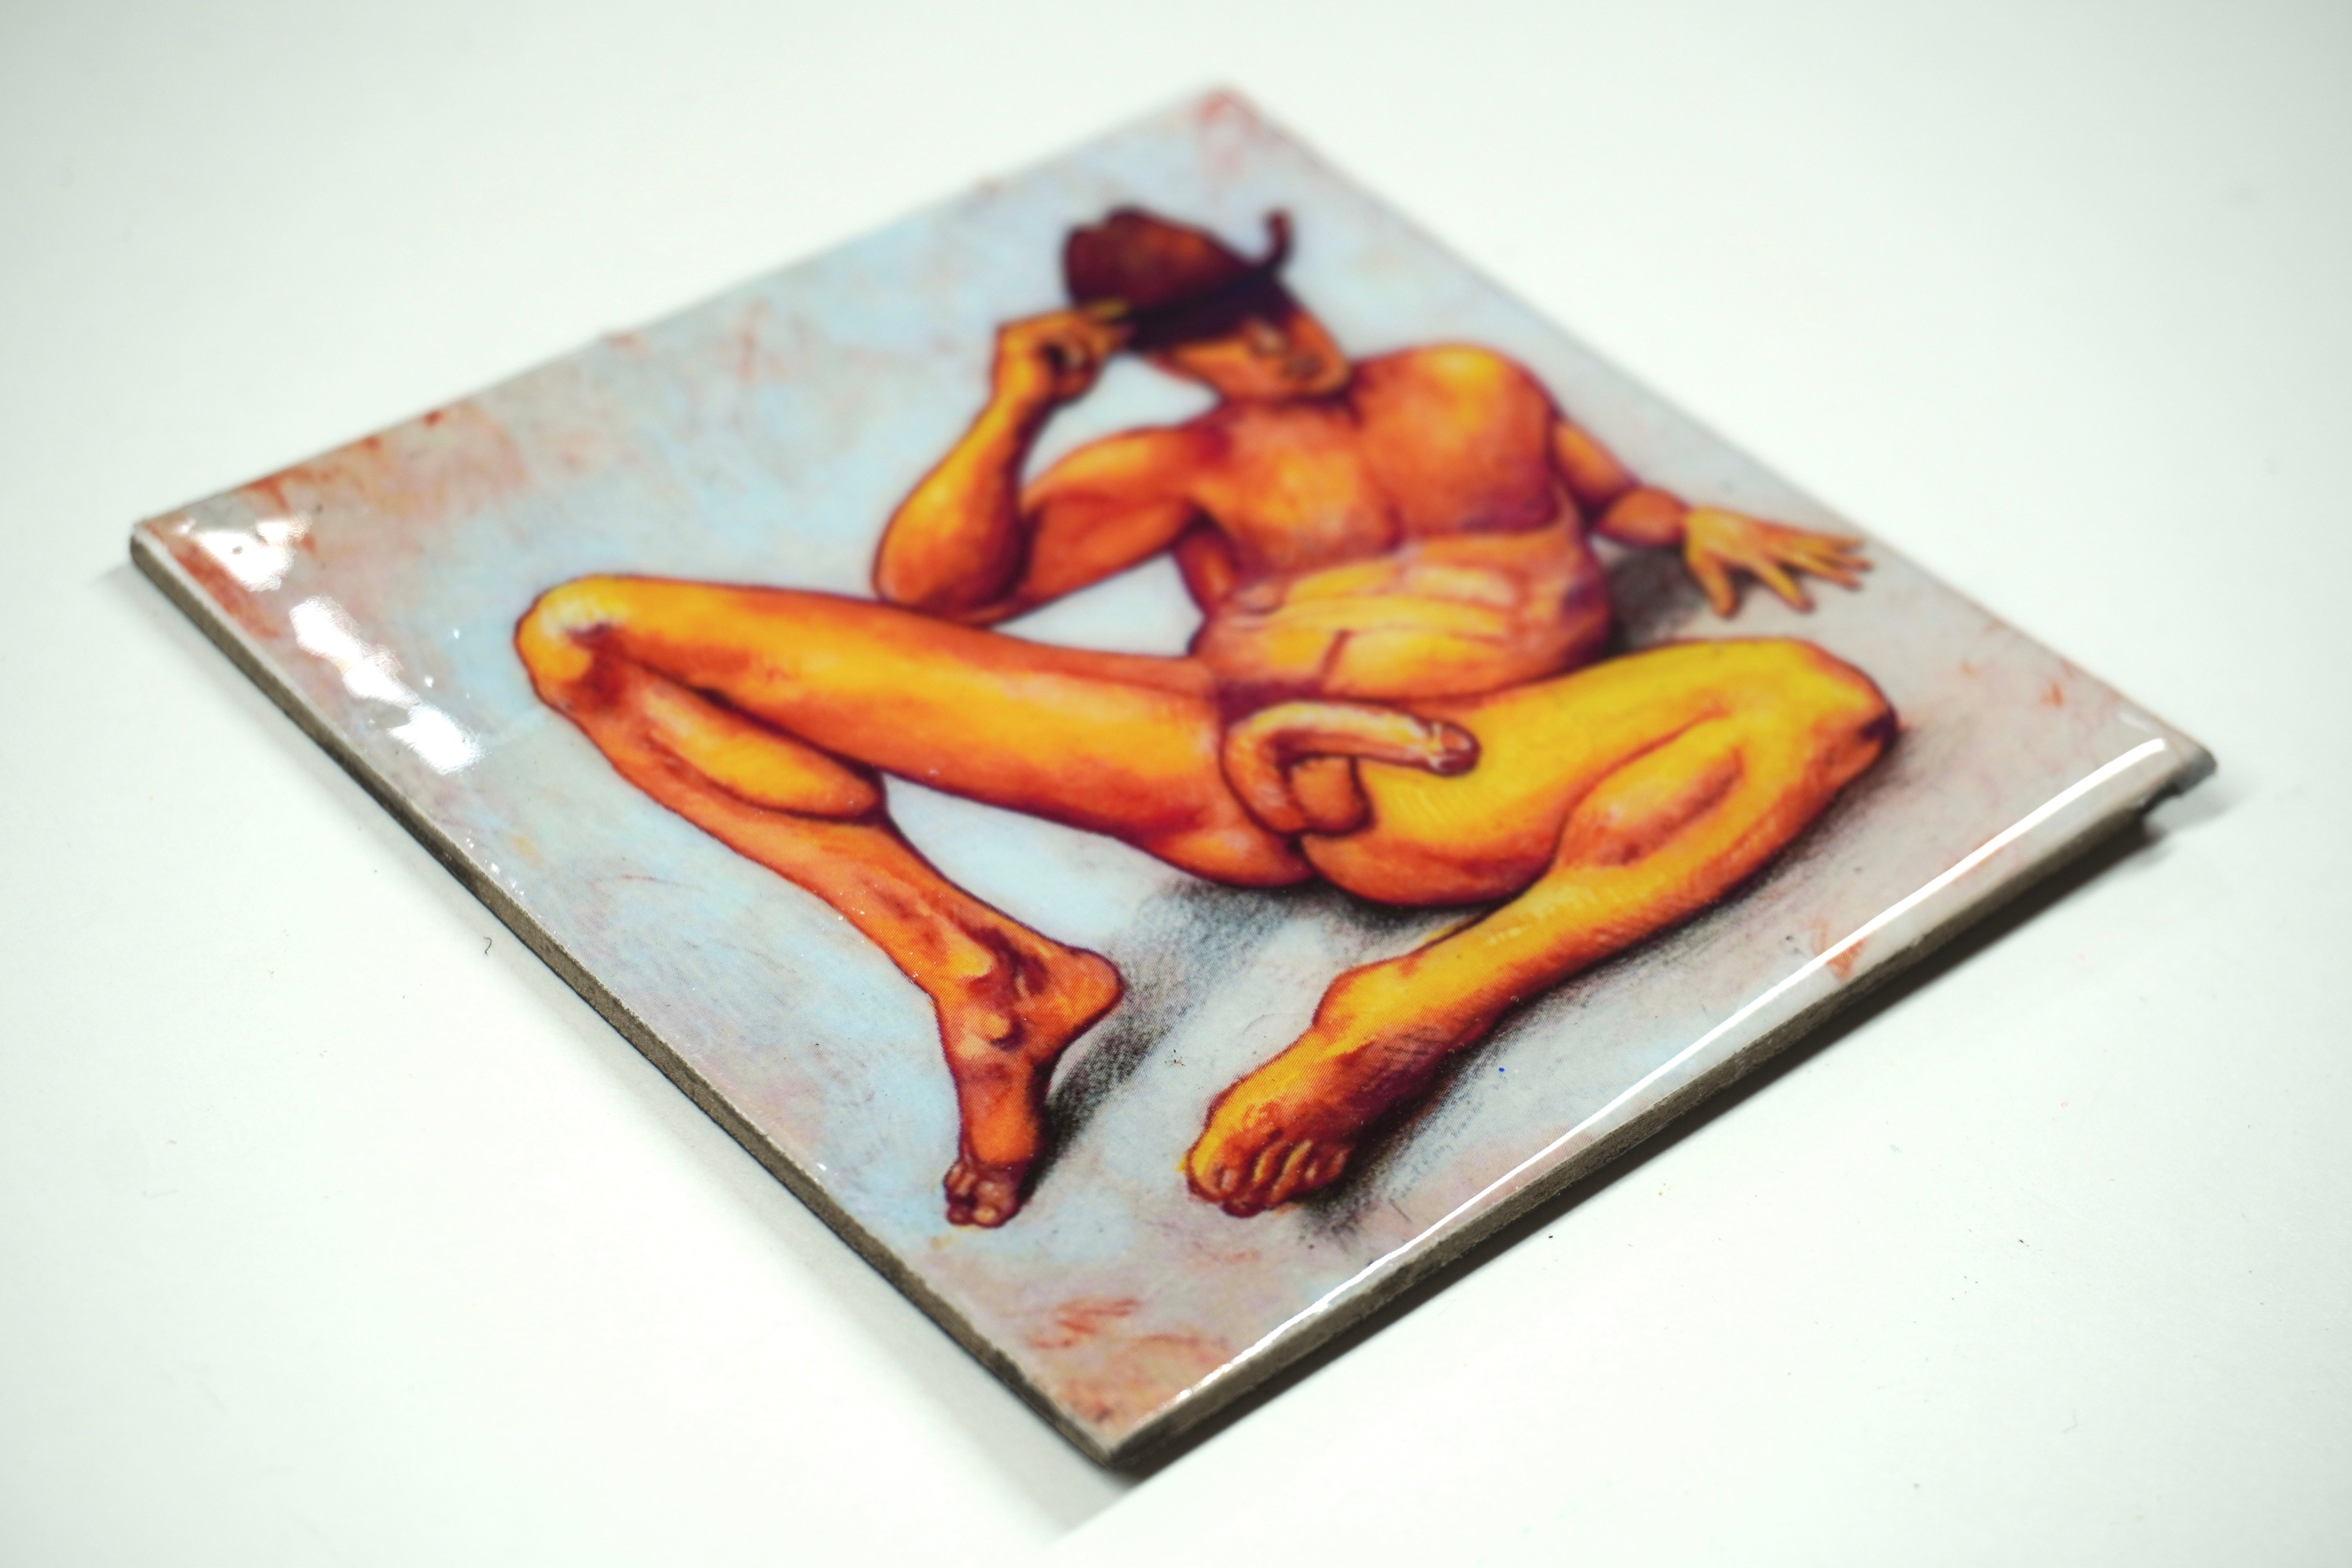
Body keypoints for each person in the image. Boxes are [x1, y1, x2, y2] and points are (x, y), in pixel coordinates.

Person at [516, 208, 1890, 1228]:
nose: (1272, 342)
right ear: (1167, 361)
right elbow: (941, 591)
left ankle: (1411, 1011)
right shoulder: (1177, 461)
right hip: (1204, 740)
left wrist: (1685, 519)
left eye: (1267, 305)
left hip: (1463, 757)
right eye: (1216, 335)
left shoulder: (1476, 383)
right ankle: (983, 971)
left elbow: (1603, 495)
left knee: (1811, 700)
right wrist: (1016, 411)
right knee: (590, 633)